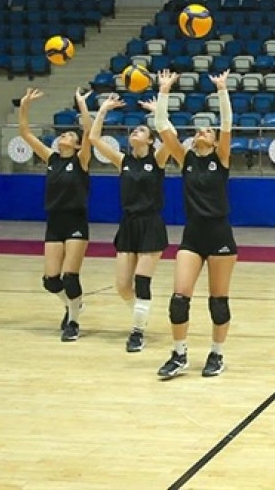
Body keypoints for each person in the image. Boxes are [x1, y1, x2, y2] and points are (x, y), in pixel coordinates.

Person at [154, 69, 238, 379]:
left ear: (215, 141)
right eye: (199, 129)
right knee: (179, 300)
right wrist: (164, 90)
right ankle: (179, 355)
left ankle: (216, 354)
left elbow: (227, 123)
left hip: (219, 234)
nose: (201, 131)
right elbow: (162, 126)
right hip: (192, 234)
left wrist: (222, 90)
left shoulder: (223, 157)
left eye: (207, 130)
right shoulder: (185, 158)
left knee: (218, 302)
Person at [81, 93, 171, 353]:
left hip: (151, 223)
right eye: (134, 130)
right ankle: (140, 315)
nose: (135, 132)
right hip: (128, 224)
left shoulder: (158, 159)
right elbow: (94, 139)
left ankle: (137, 331)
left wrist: (158, 112)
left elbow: (170, 136)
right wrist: (103, 110)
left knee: (142, 282)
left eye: (142, 130)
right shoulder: (123, 161)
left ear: (150, 139)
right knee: (122, 286)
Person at [18, 88, 104, 342]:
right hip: (54, 221)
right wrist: (24, 105)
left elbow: (89, 132)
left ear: (76, 144)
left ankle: (74, 323)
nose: (63, 136)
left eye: (69, 134)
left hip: (76, 221)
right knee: (51, 280)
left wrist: (81, 105)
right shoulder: (51, 158)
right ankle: (73, 305)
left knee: (70, 276)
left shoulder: (82, 160)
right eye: (62, 134)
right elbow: (25, 133)